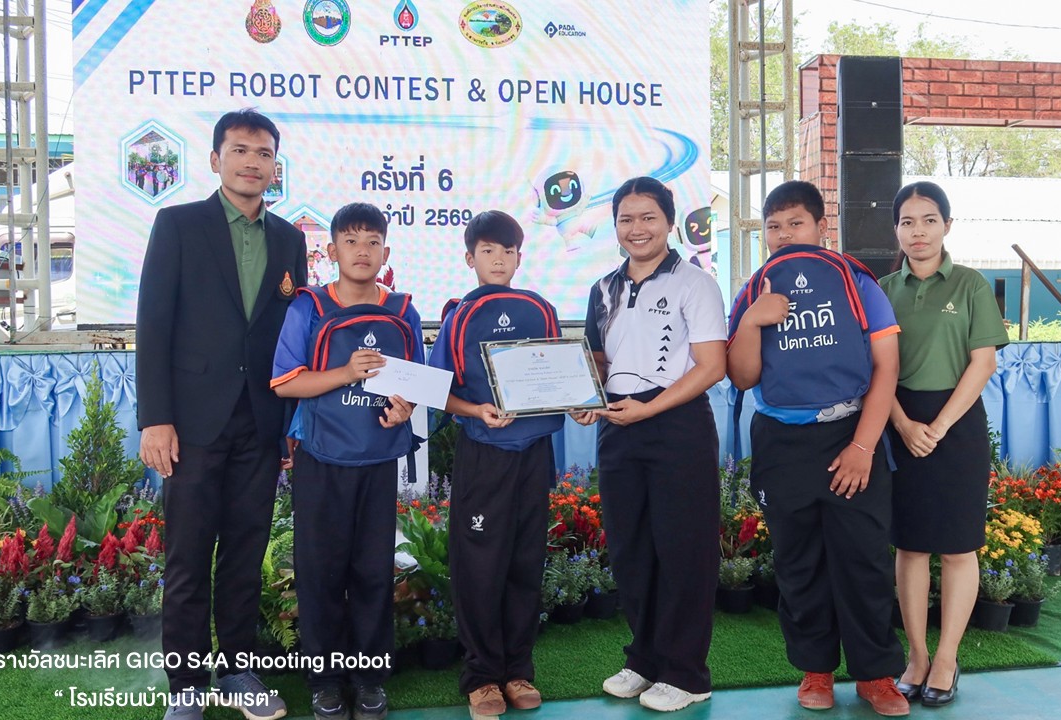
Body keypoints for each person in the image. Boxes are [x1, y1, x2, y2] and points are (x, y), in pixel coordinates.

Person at [136, 108, 306, 720]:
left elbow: (294, 339)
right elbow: (153, 325)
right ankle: (185, 687)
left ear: (275, 167)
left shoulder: (289, 239)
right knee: (187, 558)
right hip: (191, 424)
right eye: (239, 150)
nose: (251, 163)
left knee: (244, 555)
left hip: (261, 423)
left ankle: (239, 673)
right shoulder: (178, 224)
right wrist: (155, 418)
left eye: (263, 154)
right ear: (215, 159)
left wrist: (292, 423)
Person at [725, 180, 909, 717]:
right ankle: (816, 671)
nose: (784, 235)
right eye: (774, 227)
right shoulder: (753, 290)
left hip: (851, 433)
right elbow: (742, 377)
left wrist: (862, 446)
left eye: (796, 223)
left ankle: (876, 675)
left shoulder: (856, 281)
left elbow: (887, 367)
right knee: (797, 563)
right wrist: (754, 321)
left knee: (864, 561)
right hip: (781, 443)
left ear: (821, 227)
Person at [574, 176, 726, 713]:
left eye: (648, 218)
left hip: (677, 425)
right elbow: (599, 362)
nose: (636, 229)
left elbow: (712, 366)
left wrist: (650, 407)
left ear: (668, 222)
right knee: (630, 550)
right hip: (619, 424)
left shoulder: (695, 283)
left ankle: (687, 674)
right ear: (615, 226)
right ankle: (644, 660)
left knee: (683, 551)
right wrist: (583, 397)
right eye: (626, 219)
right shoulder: (603, 288)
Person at [270, 202, 422, 720]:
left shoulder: (402, 310)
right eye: (351, 241)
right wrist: (347, 372)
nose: (363, 251)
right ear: (331, 251)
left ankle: (370, 678)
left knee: (374, 572)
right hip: (320, 459)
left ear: (386, 251)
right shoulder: (309, 307)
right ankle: (325, 682)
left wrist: (404, 409)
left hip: (377, 459)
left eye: (372, 241)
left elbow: (413, 384)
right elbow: (285, 381)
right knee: (320, 574)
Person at [428, 210, 566, 717]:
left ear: (519, 257)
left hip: (533, 453)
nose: (499, 259)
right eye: (488, 251)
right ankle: (482, 676)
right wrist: (475, 410)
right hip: (485, 455)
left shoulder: (541, 309)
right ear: (470, 259)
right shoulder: (460, 316)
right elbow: (438, 391)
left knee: (525, 561)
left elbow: (560, 374)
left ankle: (517, 670)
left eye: (508, 251)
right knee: (480, 566)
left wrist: (577, 400)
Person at [879, 181, 1008, 709]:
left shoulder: (971, 284)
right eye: (908, 221)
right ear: (896, 230)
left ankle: (947, 659)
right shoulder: (882, 290)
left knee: (958, 548)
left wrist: (938, 426)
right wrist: (905, 424)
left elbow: (984, 362)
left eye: (929, 220)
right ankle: (916, 657)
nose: (919, 231)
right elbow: (875, 369)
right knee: (910, 546)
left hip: (957, 426)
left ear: (947, 226)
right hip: (899, 421)